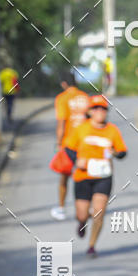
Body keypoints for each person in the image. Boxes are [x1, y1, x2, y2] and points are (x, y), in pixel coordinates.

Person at [64, 95, 127, 257]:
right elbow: (69, 148)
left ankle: (92, 246)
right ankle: (82, 222)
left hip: (103, 176)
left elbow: (122, 152)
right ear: (90, 111)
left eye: (103, 109)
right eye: (96, 108)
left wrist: (115, 153)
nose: (100, 111)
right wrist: (77, 161)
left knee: (99, 212)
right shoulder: (81, 129)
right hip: (83, 176)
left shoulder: (112, 130)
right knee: (82, 214)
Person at [51, 72, 89, 220]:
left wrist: (58, 143)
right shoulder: (85, 97)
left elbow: (62, 123)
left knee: (64, 177)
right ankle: (86, 208)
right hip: (85, 143)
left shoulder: (62, 98)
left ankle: (61, 208)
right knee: (85, 176)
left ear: (64, 84)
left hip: (69, 144)